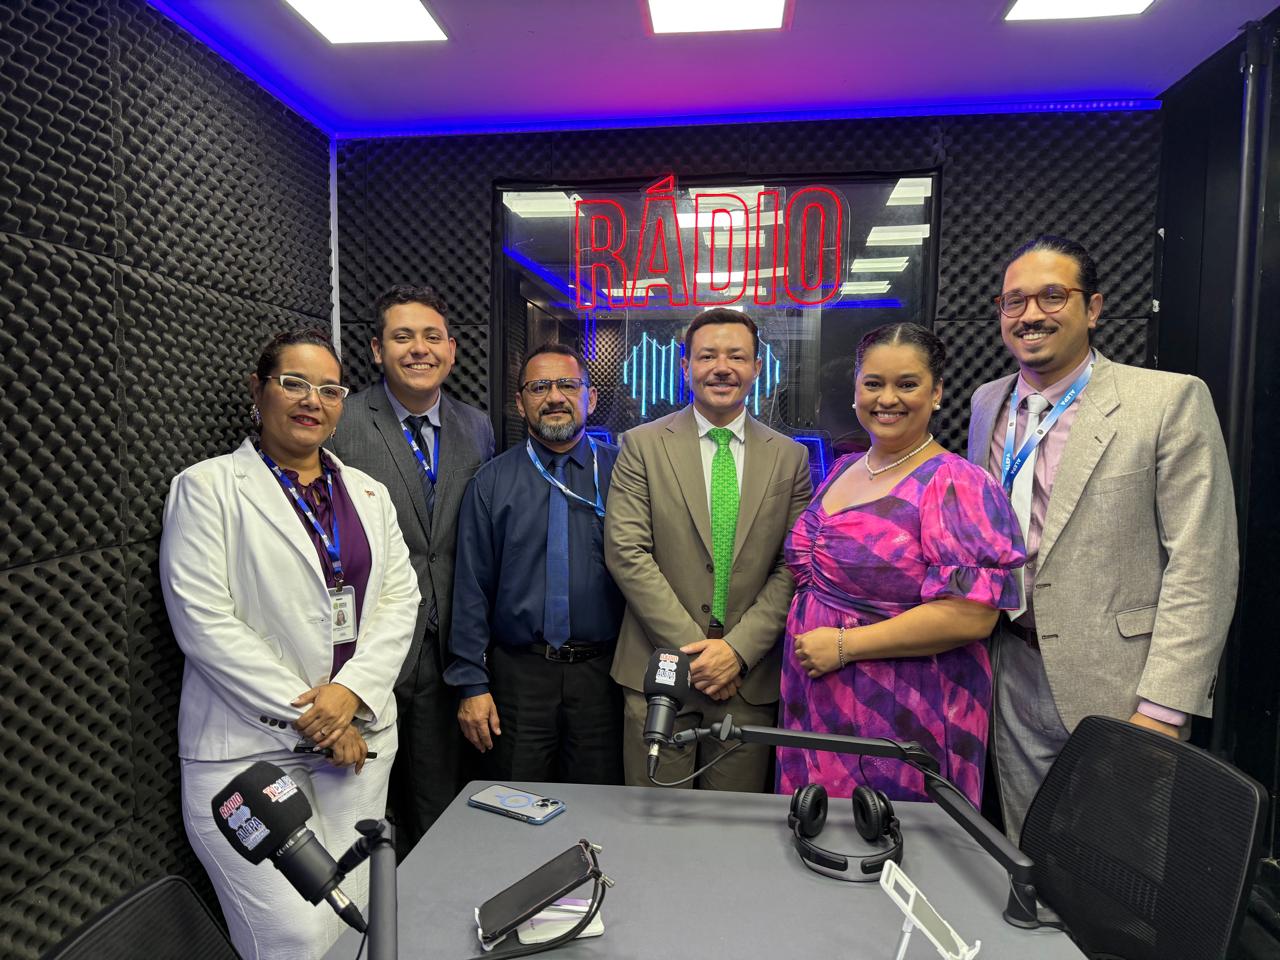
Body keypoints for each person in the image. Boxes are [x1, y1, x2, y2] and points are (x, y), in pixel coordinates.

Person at [969, 235, 1238, 839]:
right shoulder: (987, 403)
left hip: (1120, 684)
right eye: (1014, 301)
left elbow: (1204, 563)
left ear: (1093, 308)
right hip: (1009, 667)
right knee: (1025, 851)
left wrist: (1163, 708)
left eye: (1052, 296)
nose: (1030, 314)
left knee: (1116, 867)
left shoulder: (1167, 401)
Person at [161, 328, 418, 959]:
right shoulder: (207, 488)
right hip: (248, 752)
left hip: (360, 742)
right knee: (296, 937)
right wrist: (323, 719)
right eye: (294, 383)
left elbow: (399, 601)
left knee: (353, 925)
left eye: (329, 389)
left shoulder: (369, 493)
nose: (312, 401)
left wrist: (351, 694)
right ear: (258, 390)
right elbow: (204, 623)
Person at [777, 323, 1024, 807]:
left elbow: (971, 615)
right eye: (874, 383)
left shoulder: (956, 483)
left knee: (887, 838)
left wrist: (844, 646)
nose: (887, 398)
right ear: (855, 390)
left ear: (936, 393)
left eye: (907, 384)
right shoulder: (845, 467)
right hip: (817, 694)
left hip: (903, 707)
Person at [605, 307, 811, 791]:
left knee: (732, 825)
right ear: (685, 366)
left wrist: (736, 652)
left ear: (757, 367)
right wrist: (700, 659)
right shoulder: (641, 446)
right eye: (707, 356)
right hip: (659, 670)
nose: (722, 368)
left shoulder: (790, 457)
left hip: (747, 679)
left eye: (736, 356)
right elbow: (627, 552)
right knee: (655, 821)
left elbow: (794, 565)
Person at [328, 284, 494, 855]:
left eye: (431, 337)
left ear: (451, 350)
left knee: (437, 802)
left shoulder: (477, 426)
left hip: (449, 648)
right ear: (377, 350)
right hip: (366, 646)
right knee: (360, 806)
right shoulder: (342, 420)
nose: (419, 349)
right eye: (403, 337)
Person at [446, 344, 625, 783]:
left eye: (568, 385)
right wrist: (472, 684)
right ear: (520, 401)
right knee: (517, 804)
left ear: (591, 398)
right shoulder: (491, 482)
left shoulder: (624, 474)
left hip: (605, 677)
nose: (555, 397)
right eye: (539, 386)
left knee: (600, 805)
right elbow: (471, 590)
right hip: (518, 679)